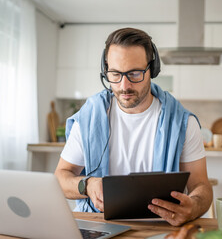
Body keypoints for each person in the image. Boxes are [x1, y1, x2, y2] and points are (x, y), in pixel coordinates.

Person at [54, 28, 212, 226]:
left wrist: (194, 206)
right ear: (106, 71)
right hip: (98, 225)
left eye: (134, 73)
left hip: (160, 227)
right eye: (115, 74)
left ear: (152, 70)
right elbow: (60, 177)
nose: (124, 85)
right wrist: (86, 185)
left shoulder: (183, 123)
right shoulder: (88, 119)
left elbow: (201, 185)